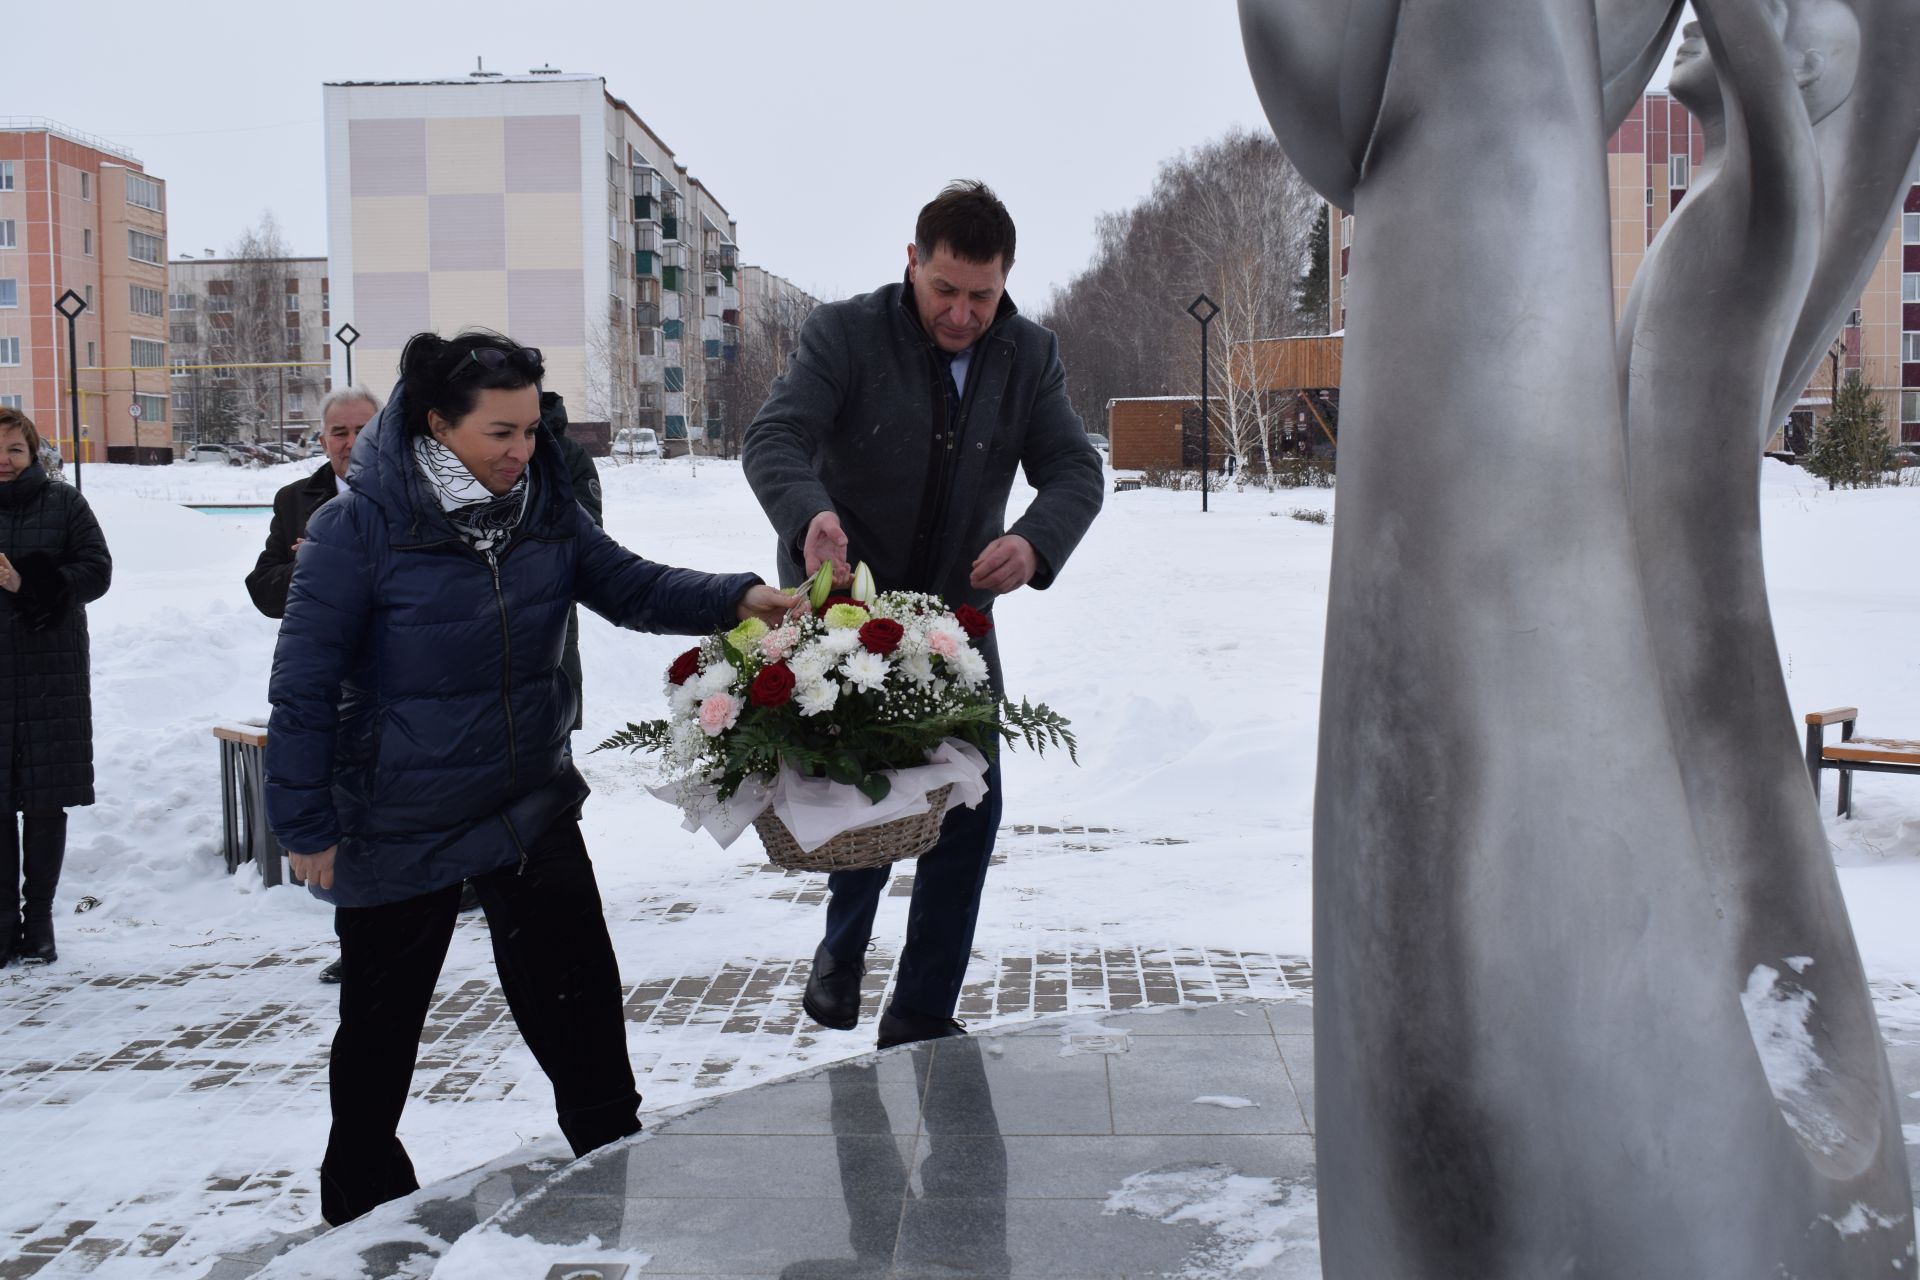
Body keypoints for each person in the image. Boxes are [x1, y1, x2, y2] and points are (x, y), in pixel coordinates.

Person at [265, 329, 793, 1226]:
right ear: (436, 425)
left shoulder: (542, 503)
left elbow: (628, 584)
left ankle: (612, 1159)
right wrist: (304, 822)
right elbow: (304, 685)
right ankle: (359, 1217)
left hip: (525, 799)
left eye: (529, 431)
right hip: (401, 810)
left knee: (580, 1002)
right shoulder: (358, 527)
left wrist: (737, 596)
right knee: (381, 1033)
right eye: (499, 434)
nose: (520, 451)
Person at [743, 180, 1104, 1050]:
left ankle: (921, 1011)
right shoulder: (846, 333)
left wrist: (1033, 542)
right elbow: (775, 438)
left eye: (982, 295)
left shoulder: (1028, 353)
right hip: (851, 611)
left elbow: (1073, 471)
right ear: (912, 262)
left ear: (1005, 279)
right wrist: (808, 516)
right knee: (861, 796)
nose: (962, 312)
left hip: (958, 628)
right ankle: (841, 953)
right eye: (945, 289)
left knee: (967, 814)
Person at [0, 407, 112, 966]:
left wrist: (29, 581)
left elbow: (97, 571)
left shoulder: (64, 502)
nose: (4, 461)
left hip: (50, 674)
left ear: (32, 452)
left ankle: (38, 919)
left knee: (44, 803)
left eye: (14, 450)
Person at [246, 385, 379, 619]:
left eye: (363, 431)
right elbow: (264, 594)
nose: (352, 442)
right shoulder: (293, 500)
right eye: (339, 433)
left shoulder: (417, 496)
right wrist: (311, 562)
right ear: (324, 444)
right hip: (323, 647)